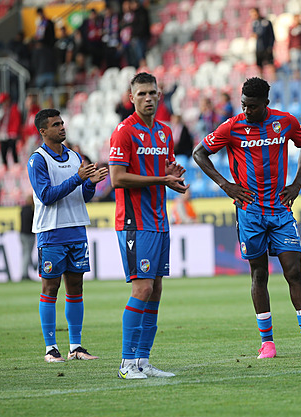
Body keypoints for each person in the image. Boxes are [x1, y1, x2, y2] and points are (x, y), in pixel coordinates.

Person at [193, 77, 301, 359]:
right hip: (249, 211)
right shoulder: (232, 126)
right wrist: (225, 184)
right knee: (259, 274)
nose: (246, 111)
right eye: (243, 105)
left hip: (280, 209)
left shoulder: (284, 122)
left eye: (252, 106)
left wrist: (297, 183)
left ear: (266, 103)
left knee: (293, 271)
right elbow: (199, 153)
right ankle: (267, 342)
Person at [109, 72, 189, 379]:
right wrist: (161, 178)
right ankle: (127, 364)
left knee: (155, 290)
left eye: (152, 93)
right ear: (131, 98)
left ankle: (143, 361)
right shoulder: (123, 132)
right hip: (134, 222)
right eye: (141, 93)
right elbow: (117, 178)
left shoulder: (164, 132)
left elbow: (165, 172)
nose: (148, 98)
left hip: (159, 220)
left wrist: (173, 177)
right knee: (141, 287)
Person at [27, 108, 108, 363]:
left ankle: (76, 347)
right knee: (51, 287)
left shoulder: (74, 156)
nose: (62, 127)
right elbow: (46, 196)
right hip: (51, 231)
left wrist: (91, 182)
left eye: (62, 123)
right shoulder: (38, 160)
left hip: (77, 229)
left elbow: (83, 196)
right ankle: (51, 348)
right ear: (43, 131)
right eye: (55, 124)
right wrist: (77, 178)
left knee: (76, 287)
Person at [0, 92, 21, 167]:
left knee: (13, 151)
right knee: (3, 152)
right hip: (3, 135)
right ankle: (4, 166)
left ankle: (16, 165)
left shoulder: (14, 109)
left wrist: (15, 132)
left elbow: (17, 121)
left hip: (11, 134)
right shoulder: (2, 111)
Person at [249, 8, 275, 79]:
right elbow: (254, 34)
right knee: (259, 66)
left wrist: (270, 46)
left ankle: (273, 81)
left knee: (270, 65)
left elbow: (272, 35)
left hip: (266, 47)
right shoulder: (255, 23)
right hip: (258, 48)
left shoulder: (266, 22)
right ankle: (261, 80)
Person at [20, 194, 36, 281]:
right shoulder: (31, 211)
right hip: (29, 235)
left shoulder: (22, 210)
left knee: (25, 254)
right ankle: (24, 274)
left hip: (22, 234)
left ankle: (26, 271)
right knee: (27, 254)